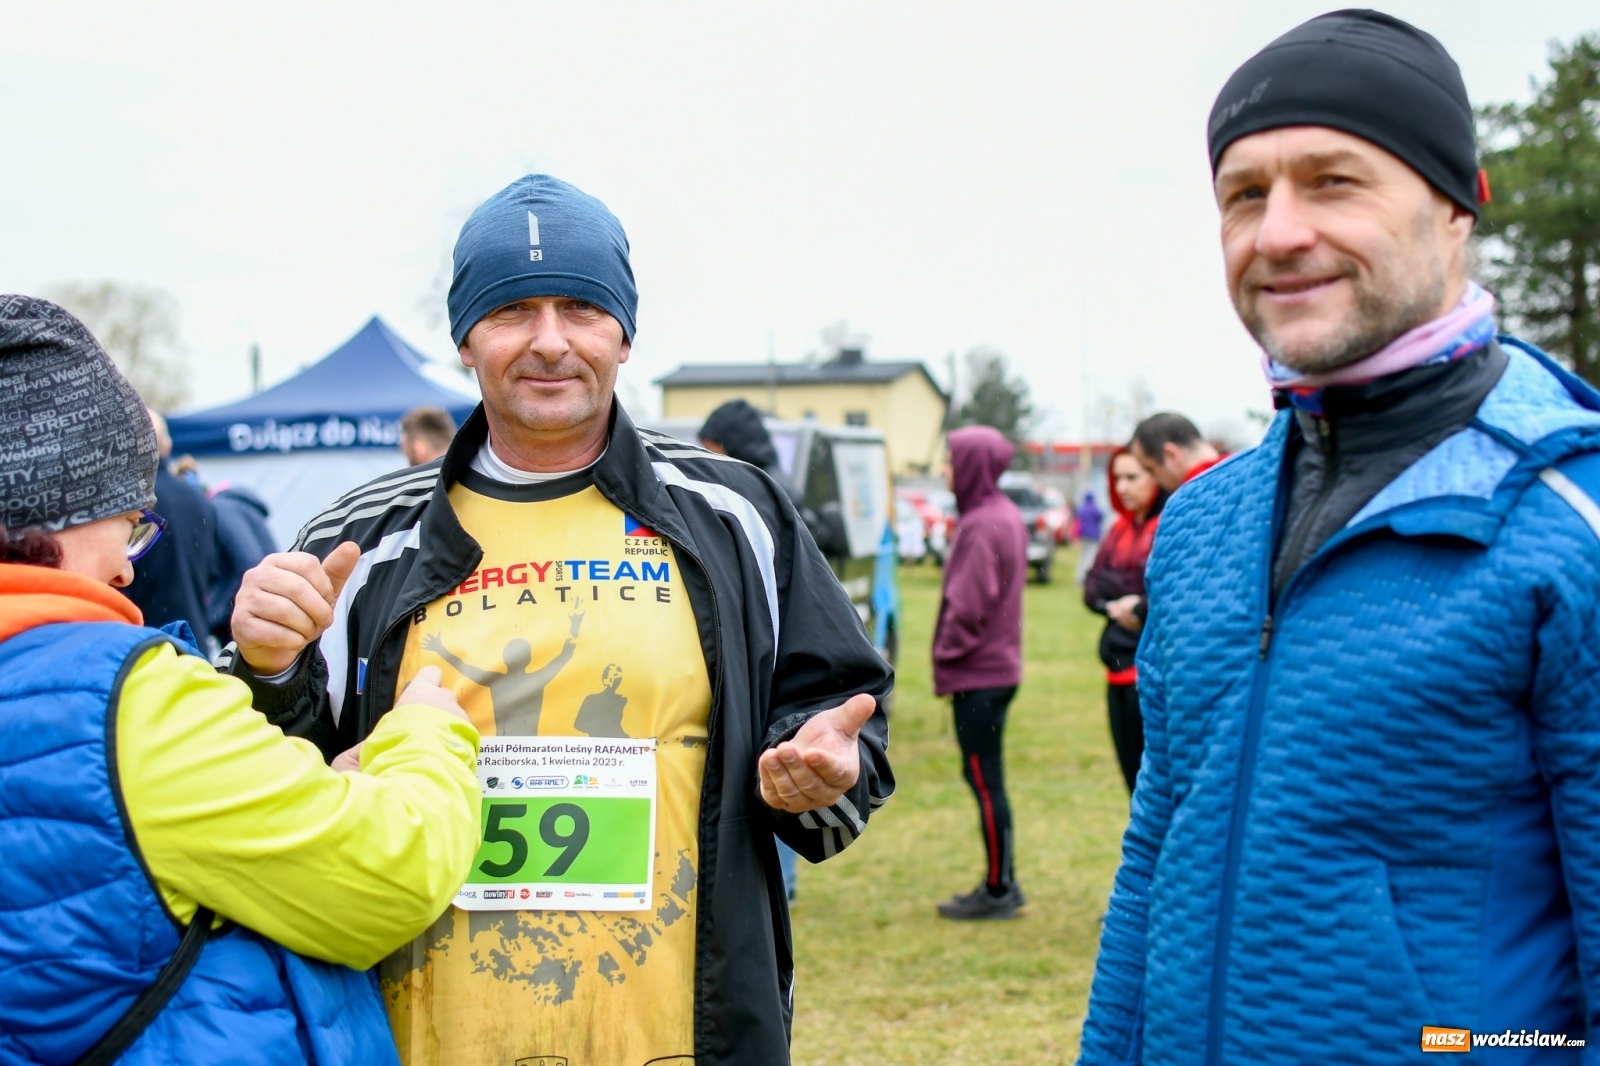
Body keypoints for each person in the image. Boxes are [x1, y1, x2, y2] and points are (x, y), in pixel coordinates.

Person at [225, 175, 895, 1066]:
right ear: (465, 338)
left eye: (580, 307)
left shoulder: (736, 517)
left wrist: (817, 772)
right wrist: (269, 670)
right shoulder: (359, 541)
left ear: (625, 332)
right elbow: (274, 806)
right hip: (419, 1033)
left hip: (676, 1037)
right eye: (512, 311)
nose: (549, 343)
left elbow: (839, 723)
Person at [1081, 11, 1600, 1063]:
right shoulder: (1200, 523)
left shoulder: (1572, 517)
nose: (1275, 232)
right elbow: (1153, 870)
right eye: (1243, 195)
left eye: (1332, 181)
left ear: (1456, 206)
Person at [0, 295, 482, 1065]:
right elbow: (393, 869)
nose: (128, 564)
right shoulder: (129, 707)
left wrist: (301, 768)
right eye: (126, 520)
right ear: (55, 507)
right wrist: (424, 735)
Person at [698, 397, 807, 902]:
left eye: (709, 447)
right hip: (778, 667)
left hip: (760, 664)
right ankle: (780, 882)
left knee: (769, 772)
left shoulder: (747, 499)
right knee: (778, 770)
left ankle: (778, 886)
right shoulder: (781, 491)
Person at [932, 425, 1028, 920]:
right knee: (988, 779)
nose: (945, 470)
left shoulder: (982, 523)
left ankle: (998, 887)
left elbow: (968, 606)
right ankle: (1001, 879)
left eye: (951, 460)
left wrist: (947, 655)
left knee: (985, 780)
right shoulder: (1002, 515)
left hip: (980, 674)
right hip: (996, 670)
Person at [1082, 449, 1165, 793]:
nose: (1123, 487)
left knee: (1153, 783)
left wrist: (1139, 605)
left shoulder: (1167, 524)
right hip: (1115, 667)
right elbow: (1092, 587)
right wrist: (1122, 604)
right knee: (1131, 781)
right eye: (1117, 478)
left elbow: (1162, 593)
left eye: (1133, 477)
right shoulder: (1118, 529)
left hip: (1149, 671)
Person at [124, 409, 219, 649]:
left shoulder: (129, 505)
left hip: (145, 647)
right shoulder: (198, 499)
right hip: (193, 640)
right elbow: (212, 571)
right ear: (167, 445)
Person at [206, 481, 278, 646]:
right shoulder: (243, 507)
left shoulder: (220, 508)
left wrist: (218, 612)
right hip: (266, 608)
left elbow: (249, 561)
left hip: (245, 615)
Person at [1129, 412, 1221, 494]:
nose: (1154, 481)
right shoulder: (1234, 469)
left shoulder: (1184, 504)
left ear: (1171, 455)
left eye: (1151, 469)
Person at [1074, 489, 1103, 584]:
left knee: (1083, 556)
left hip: (1084, 535)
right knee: (1090, 557)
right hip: (1093, 536)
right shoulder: (1094, 508)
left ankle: (1079, 577)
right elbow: (1101, 516)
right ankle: (1086, 577)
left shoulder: (1082, 508)